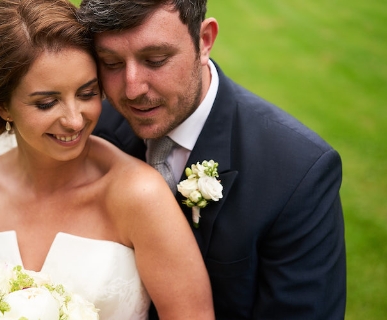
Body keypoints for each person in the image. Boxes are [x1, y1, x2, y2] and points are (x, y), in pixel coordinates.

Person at [0, 0, 215, 319]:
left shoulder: (139, 196)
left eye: (87, 94)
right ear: (4, 107)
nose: (74, 120)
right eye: (47, 103)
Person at [77, 0, 347, 319]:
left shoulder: (298, 171)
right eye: (111, 63)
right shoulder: (91, 132)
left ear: (204, 40)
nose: (133, 88)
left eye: (156, 59)